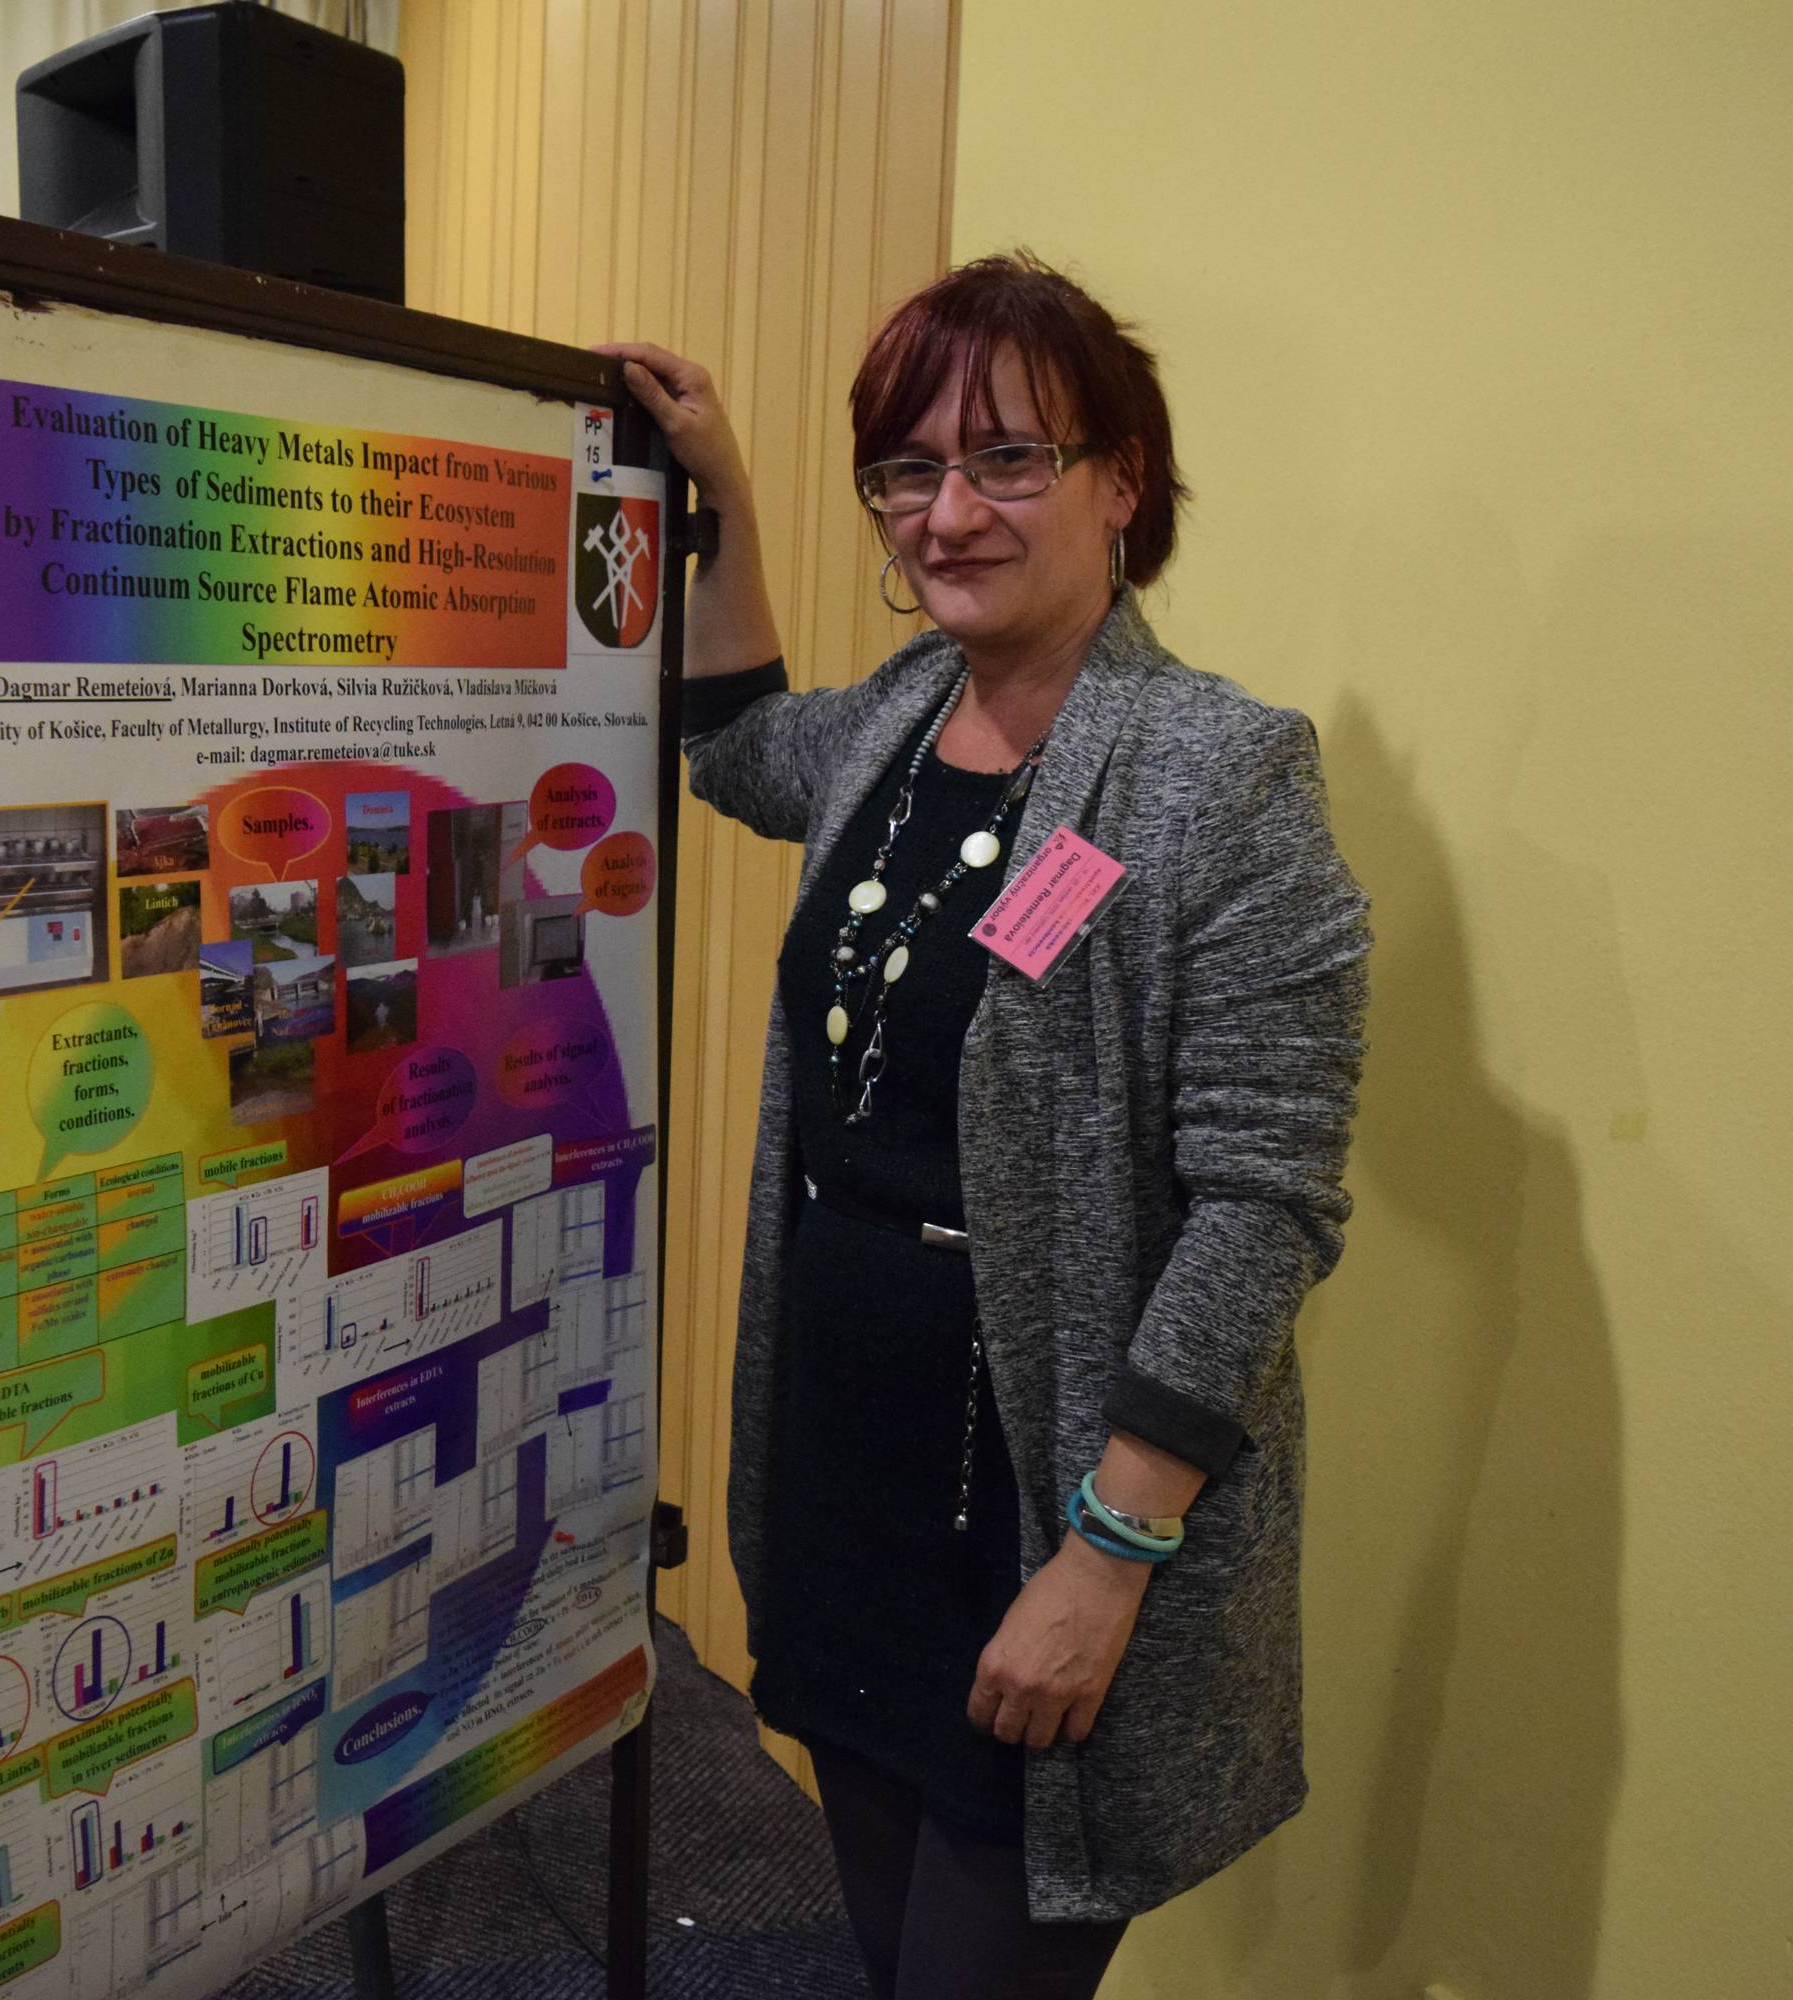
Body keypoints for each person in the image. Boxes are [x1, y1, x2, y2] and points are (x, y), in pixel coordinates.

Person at [598, 254, 1369, 2000]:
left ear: (1122, 482)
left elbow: (1265, 1205)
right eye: (906, 469)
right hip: (851, 1465)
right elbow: (732, 745)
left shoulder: (1220, 772)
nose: (948, 514)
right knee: (884, 1938)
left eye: (1009, 459)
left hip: (1047, 1501)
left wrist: (1111, 1555)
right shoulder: (892, 720)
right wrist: (723, 494)